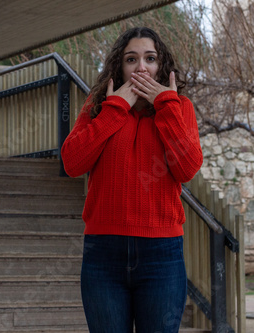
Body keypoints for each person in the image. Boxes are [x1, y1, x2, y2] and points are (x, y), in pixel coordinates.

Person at [61, 27, 203, 332]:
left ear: (161, 66)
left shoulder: (180, 109)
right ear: (119, 67)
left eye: (150, 58)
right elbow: (73, 163)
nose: (141, 67)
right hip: (103, 255)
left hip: (161, 255)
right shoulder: (99, 107)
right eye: (131, 59)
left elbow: (188, 167)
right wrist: (116, 109)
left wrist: (166, 104)